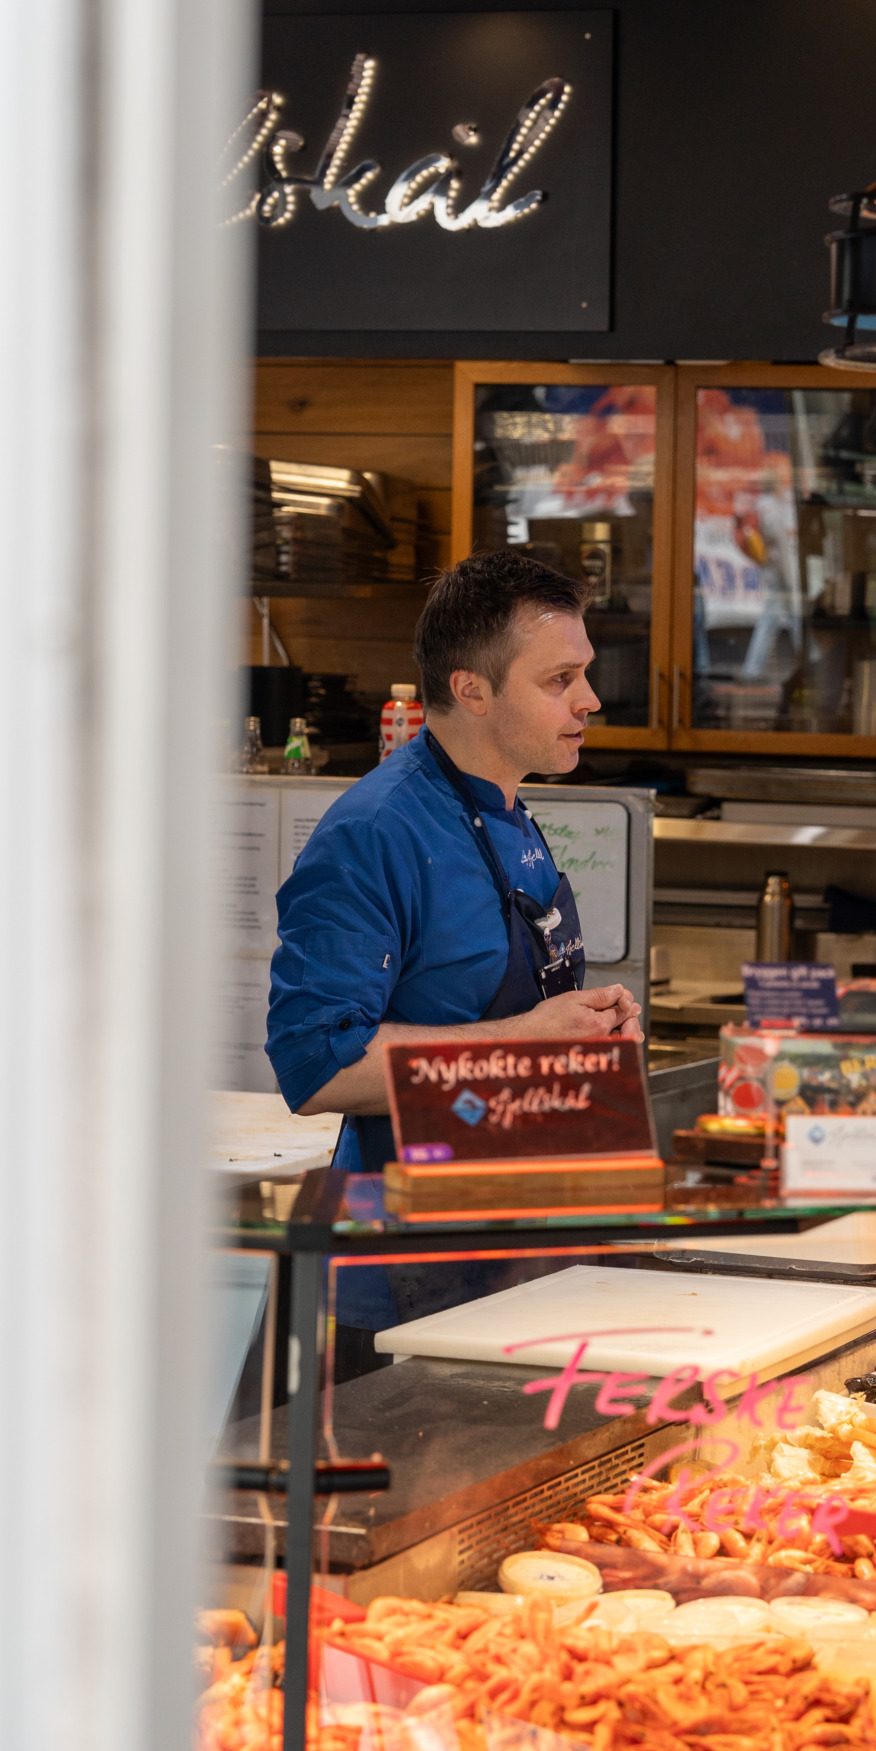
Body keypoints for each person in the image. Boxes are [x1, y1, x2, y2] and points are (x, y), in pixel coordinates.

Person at [266, 546, 643, 1351]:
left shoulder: (508, 808)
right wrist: (525, 1041)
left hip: (523, 1248)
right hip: (408, 1276)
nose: (589, 699)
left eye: (583, 673)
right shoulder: (374, 834)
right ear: (471, 689)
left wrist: (587, 1032)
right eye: (558, 681)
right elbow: (315, 1066)